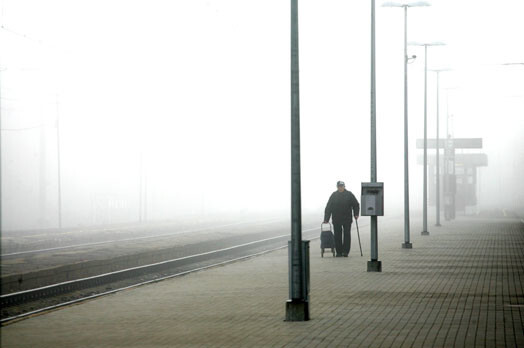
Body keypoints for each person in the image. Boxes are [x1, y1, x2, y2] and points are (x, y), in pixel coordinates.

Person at [323, 181, 360, 257]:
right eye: (339, 186)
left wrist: (356, 214)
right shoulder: (334, 195)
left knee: (347, 234)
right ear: (337, 187)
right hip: (336, 219)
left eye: (341, 186)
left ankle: (345, 252)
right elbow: (328, 207)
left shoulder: (349, 194)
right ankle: (339, 252)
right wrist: (326, 219)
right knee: (337, 235)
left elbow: (356, 204)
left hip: (347, 218)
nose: (340, 188)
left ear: (344, 186)